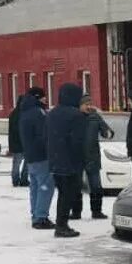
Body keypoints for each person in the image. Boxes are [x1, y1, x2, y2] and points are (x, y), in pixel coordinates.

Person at [46, 83, 87, 238]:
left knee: (63, 193)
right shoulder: (76, 115)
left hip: (55, 160)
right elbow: (78, 141)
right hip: (71, 161)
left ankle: (61, 223)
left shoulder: (52, 113)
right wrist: (81, 159)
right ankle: (62, 225)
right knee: (68, 194)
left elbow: (47, 137)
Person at [71, 96, 114, 220]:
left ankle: (96, 211)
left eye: (90, 104)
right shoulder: (74, 118)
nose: (88, 107)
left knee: (96, 186)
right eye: (86, 104)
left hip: (93, 156)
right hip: (77, 157)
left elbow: (108, 132)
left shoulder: (95, 117)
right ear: (80, 106)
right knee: (76, 186)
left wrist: (107, 133)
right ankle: (76, 212)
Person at [19, 87, 55, 230]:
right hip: (41, 155)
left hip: (30, 155)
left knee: (34, 186)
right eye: (43, 96)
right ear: (37, 97)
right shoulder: (38, 113)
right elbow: (43, 135)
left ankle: (36, 214)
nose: (46, 99)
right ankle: (41, 217)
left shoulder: (24, 112)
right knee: (45, 186)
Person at [8, 95, 29, 187]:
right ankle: (20, 179)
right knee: (22, 162)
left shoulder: (15, 113)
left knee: (19, 163)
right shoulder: (20, 113)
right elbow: (17, 129)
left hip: (18, 142)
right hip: (20, 142)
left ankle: (17, 179)